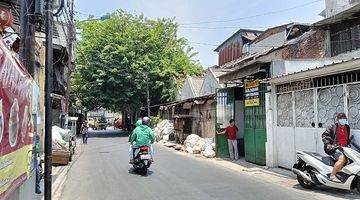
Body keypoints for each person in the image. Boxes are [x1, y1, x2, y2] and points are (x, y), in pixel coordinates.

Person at [322, 112, 350, 183]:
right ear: (337, 120)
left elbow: (346, 138)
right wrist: (328, 144)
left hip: (345, 148)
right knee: (342, 158)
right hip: (334, 148)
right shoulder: (332, 127)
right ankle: (332, 175)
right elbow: (325, 135)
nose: (343, 120)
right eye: (341, 118)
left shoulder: (347, 127)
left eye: (344, 118)